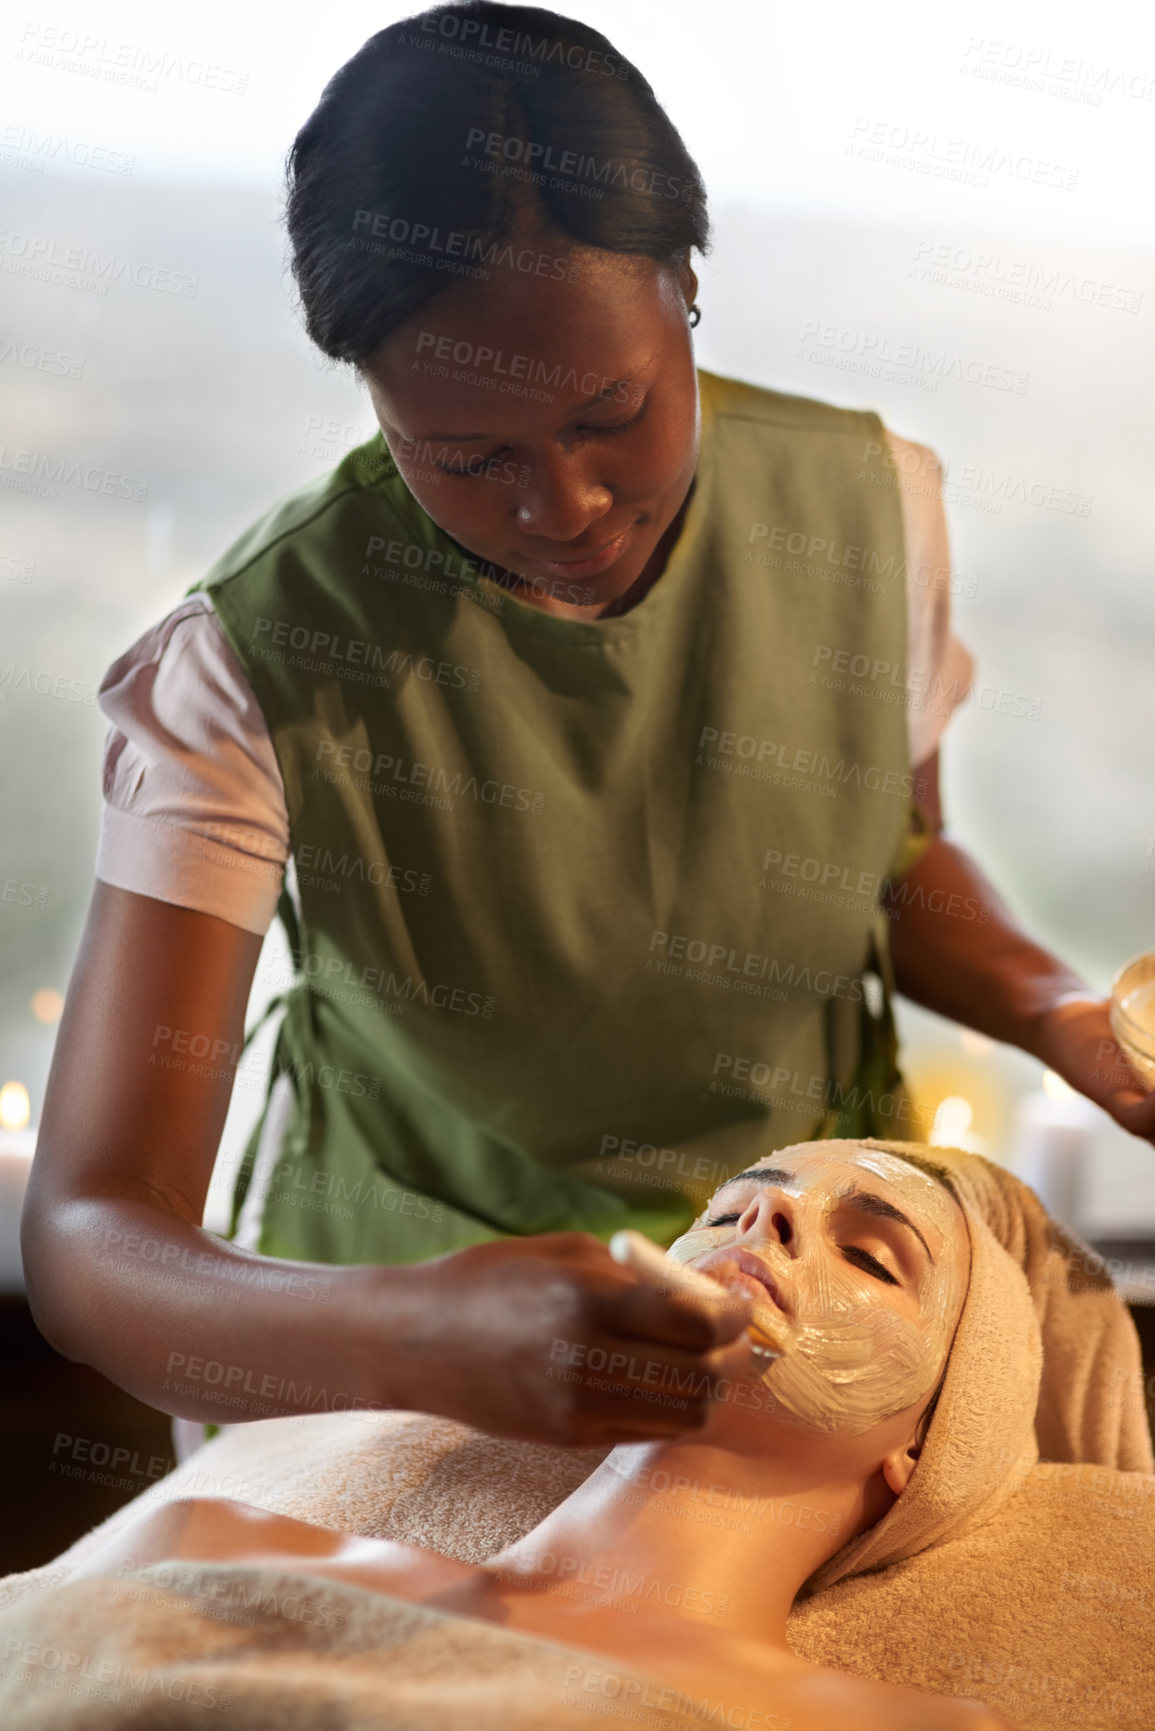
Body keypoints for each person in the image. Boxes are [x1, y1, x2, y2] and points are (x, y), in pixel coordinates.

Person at [21, 2, 1155, 1457]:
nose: (558, 506)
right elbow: (90, 1237)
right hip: (379, 1389)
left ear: (687, 285)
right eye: (465, 455)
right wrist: (419, 1332)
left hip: (795, 1344)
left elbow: (878, 863)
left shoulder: (868, 509)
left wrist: (1064, 1017)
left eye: (610, 412)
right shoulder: (247, 659)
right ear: (366, 389)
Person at [39, 1143, 1018, 1730]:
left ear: (926, 1452)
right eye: (727, 1209)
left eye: (871, 1256)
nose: (769, 1215)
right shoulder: (213, 1550)